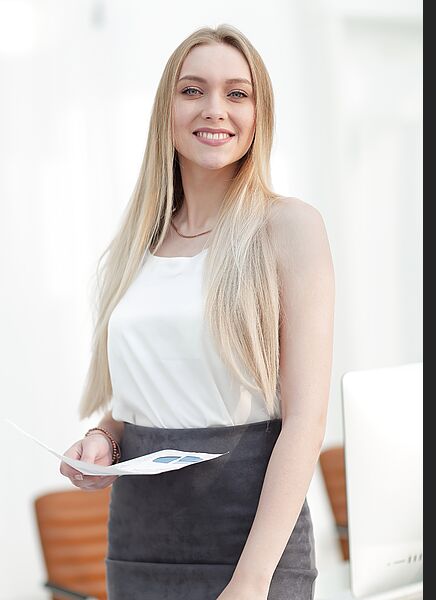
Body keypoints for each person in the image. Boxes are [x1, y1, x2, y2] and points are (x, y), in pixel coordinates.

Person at [60, 23, 335, 600]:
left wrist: (253, 581)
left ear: (260, 115)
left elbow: (306, 420)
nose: (215, 109)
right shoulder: (138, 243)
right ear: (167, 109)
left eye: (237, 93)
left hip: (248, 536)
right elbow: (146, 393)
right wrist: (102, 438)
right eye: (193, 90)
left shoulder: (288, 227)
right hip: (139, 537)